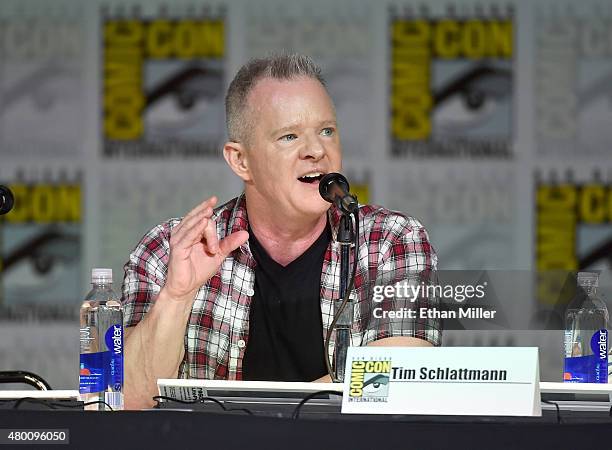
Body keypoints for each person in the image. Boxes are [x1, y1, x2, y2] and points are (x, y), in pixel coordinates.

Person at [121, 54, 440, 409]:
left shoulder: (391, 239)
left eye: (327, 131)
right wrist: (177, 296)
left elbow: (403, 372)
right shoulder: (167, 250)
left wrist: (252, 424)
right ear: (241, 160)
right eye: (289, 136)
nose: (317, 150)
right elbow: (129, 400)